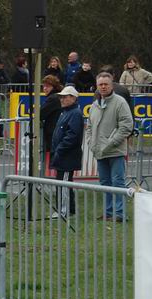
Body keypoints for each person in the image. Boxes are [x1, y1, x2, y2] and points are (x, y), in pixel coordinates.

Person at [89, 72, 134, 222]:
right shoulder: (95, 105)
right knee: (105, 183)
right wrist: (91, 142)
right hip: (100, 151)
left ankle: (119, 214)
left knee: (118, 182)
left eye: (106, 84)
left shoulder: (120, 102)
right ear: (97, 85)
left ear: (111, 84)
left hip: (115, 151)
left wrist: (112, 142)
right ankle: (108, 213)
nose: (103, 87)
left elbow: (127, 126)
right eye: (100, 84)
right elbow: (89, 126)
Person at [50, 86, 84, 217]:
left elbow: (72, 135)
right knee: (64, 182)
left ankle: (64, 210)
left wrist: (60, 149)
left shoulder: (75, 113)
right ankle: (68, 209)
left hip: (67, 155)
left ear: (73, 98)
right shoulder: (65, 112)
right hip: (63, 154)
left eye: (65, 97)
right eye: (61, 97)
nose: (62, 99)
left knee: (63, 183)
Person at [40, 75, 63, 156]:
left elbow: (41, 113)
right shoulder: (58, 96)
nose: (45, 88)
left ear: (54, 87)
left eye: (48, 86)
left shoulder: (53, 98)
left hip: (53, 132)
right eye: (44, 86)